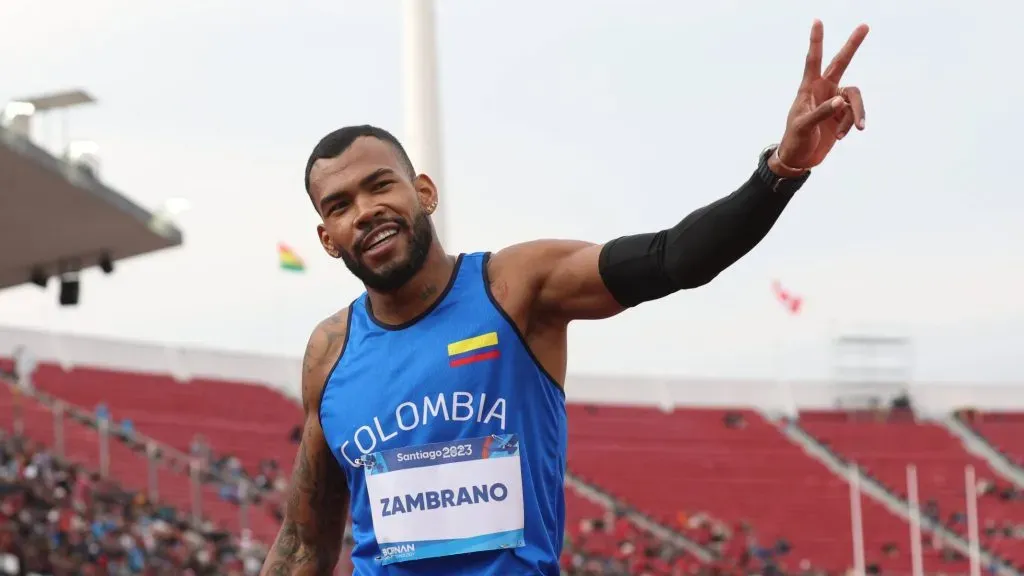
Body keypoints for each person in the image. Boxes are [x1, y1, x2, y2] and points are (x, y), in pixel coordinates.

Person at [260, 20, 868, 576]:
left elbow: (674, 258)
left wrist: (781, 170)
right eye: (340, 206)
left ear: (424, 192)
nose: (365, 212)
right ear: (327, 239)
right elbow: (305, 544)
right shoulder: (329, 353)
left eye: (380, 186)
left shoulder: (516, 287)